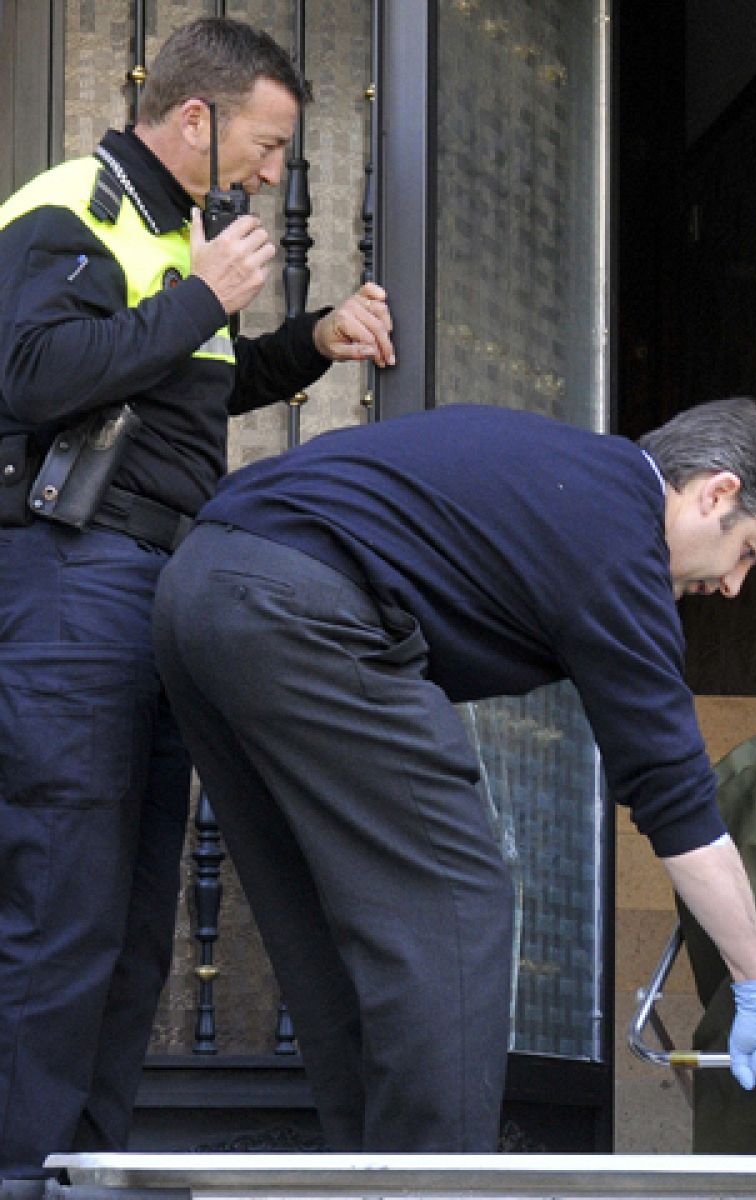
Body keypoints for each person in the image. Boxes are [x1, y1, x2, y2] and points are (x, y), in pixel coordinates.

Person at [149, 398, 756, 1152]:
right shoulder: (619, 535)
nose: (733, 587)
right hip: (301, 609)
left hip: (197, 592)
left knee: (318, 909)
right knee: (457, 900)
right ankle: (439, 1179)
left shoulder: (557, 470)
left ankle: (369, 1166)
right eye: (750, 554)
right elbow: (676, 800)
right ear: (717, 493)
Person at [0, 17, 394, 1181]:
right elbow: (25, 377)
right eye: (266, 145)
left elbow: (178, 395)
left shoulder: (181, 232)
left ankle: (80, 1165)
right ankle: (20, 1167)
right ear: (193, 118)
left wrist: (308, 342)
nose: (273, 172)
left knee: (128, 932)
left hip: (153, 586)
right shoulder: (72, 205)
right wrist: (202, 296)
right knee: (65, 907)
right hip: (69, 580)